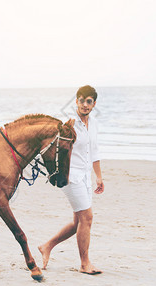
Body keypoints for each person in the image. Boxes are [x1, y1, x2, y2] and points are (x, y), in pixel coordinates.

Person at [38, 85, 104, 275]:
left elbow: (94, 151)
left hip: (85, 175)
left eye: (89, 101)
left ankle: (47, 246)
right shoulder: (68, 123)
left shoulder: (95, 123)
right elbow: (51, 146)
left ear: (94, 104)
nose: (85, 104)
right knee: (87, 217)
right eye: (82, 100)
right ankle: (85, 264)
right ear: (76, 101)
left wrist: (99, 176)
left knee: (79, 222)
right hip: (70, 175)